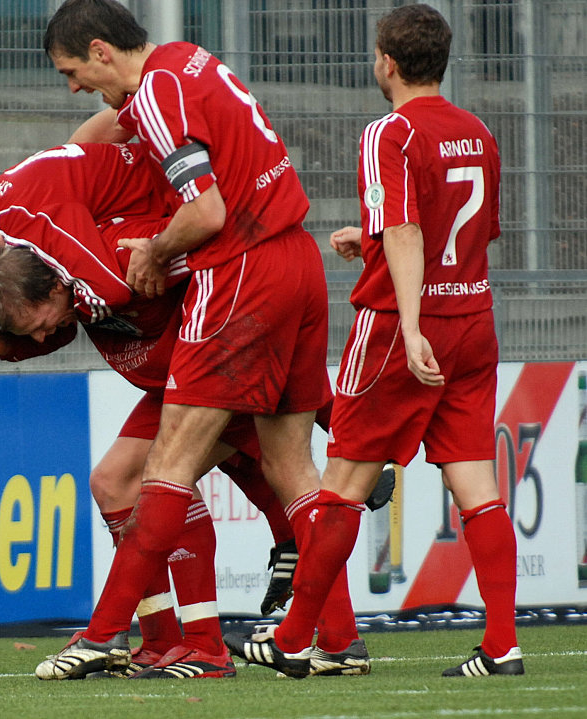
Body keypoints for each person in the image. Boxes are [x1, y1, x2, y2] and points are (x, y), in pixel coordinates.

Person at [39, 0, 367, 680]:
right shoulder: (188, 61)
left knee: (165, 467)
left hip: (240, 271)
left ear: (100, 51)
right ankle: (336, 640)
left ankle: (105, 634)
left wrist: (155, 250)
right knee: (291, 470)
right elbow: (102, 132)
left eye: (72, 71)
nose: (72, 87)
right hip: (297, 259)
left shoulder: (157, 90)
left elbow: (206, 210)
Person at [224, 3, 524, 679]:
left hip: (398, 329)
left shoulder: (390, 131)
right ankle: (502, 645)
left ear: (387, 62)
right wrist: (374, 243)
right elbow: (464, 234)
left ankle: (295, 638)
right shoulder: (478, 131)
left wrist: (410, 323)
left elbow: (411, 230)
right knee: (477, 486)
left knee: (343, 484)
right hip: (473, 320)